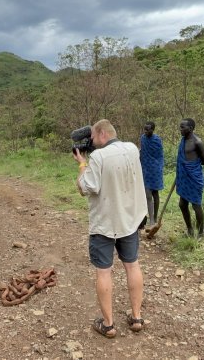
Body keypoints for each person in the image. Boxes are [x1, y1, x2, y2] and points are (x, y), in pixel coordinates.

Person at [73, 119, 147, 338]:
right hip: (129, 221)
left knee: (104, 272)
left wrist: (82, 164)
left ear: (102, 134)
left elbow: (86, 187)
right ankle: (136, 317)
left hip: (105, 224)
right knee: (132, 266)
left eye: (93, 138)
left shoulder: (97, 157)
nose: (92, 143)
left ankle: (108, 324)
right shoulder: (133, 148)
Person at [176, 118, 204, 238]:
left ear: (190, 128)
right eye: (180, 127)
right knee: (182, 204)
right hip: (184, 178)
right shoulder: (183, 141)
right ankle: (190, 229)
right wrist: (182, 171)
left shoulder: (198, 142)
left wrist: (190, 167)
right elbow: (182, 159)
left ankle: (201, 233)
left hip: (194, 178)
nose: (180, 129)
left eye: (182, 127)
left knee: (196, 205)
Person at [139, 121, 164, 230]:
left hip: (156, 169)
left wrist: (159, 167)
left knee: (155, 193)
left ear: (152, 130)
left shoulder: (157, 140)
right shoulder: (143, 138)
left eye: (148, 129)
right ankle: (151, 220)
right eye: (144, 129)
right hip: (145, 169)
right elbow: (142, 152)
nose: (145, 131)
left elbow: (160, 155)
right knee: (148, 194)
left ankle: (155, 216)